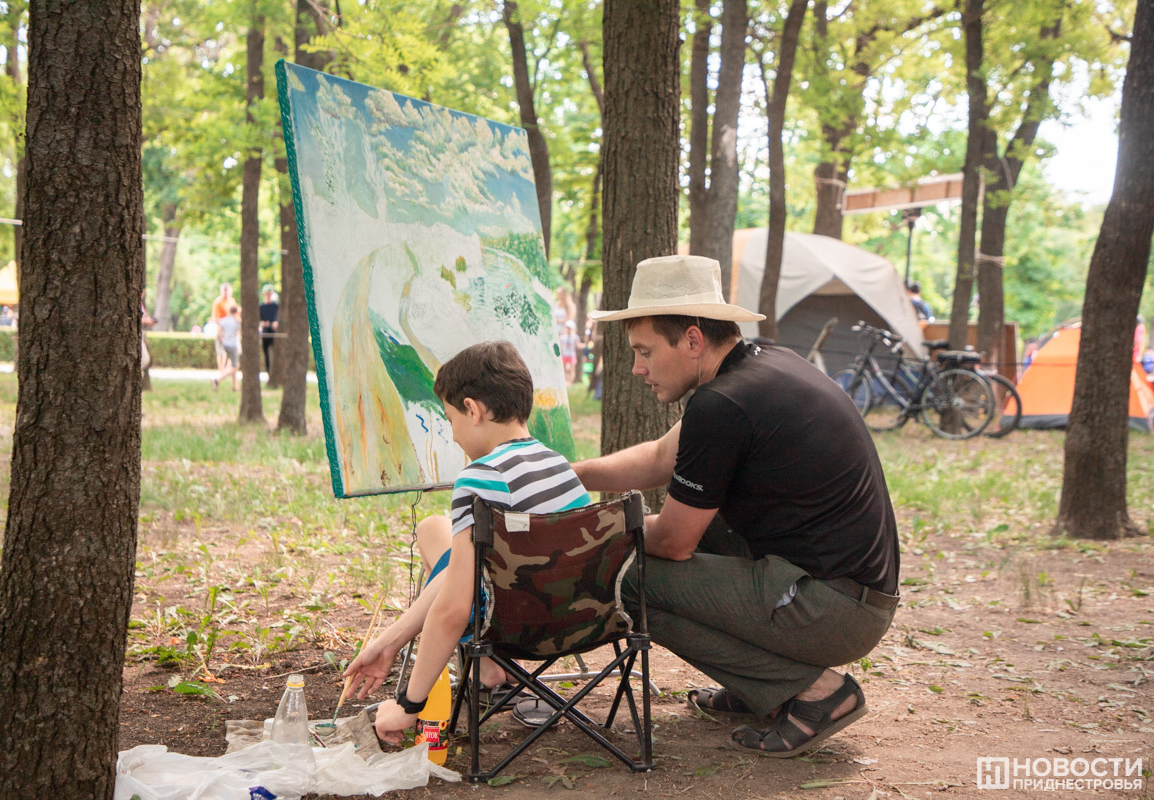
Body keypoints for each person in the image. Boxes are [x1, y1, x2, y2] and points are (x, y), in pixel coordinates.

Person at [574, 255, 899, 757]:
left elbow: (674, 542)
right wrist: (569, 473)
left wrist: (583, 532)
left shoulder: (722, 404)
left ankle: (814, 693)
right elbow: (660, 458)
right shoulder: (763, 364)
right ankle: (762, 688)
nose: (637, 368)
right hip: (847, 592)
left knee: (628, 577)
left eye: (644, 351)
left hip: (833, 610)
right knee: (684, 530)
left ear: (692, 340)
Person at [342, 341, 591, 744]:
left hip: (513, 627)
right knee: (434, 529)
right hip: (577, 618)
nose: (454, 435)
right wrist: (392, 641)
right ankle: (448, 659)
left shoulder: (480, 477)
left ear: (472, 410)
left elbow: (453, 609)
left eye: (450, 419)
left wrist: (409, 704)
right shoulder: (557, 463)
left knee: (453, 569)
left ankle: (485, 666)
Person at [213, 304, 240, 391]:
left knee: (231, 364)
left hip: (225, 344)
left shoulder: (223, 320)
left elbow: (219, 332)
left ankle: (235, 386)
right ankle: (217, 380)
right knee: (235, 366)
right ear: (236, 312)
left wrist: (223, 340)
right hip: (233, 345)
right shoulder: (237, 322)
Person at [210, 283, 237, 372]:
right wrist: (220, 330)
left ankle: (227, 370)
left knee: (229, 352)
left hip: (230, 331)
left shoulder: (232, 301)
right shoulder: (218, 302)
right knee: (220, 351)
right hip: (221, 329)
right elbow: (215, 317)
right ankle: (221, 369)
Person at [259, 284, 279, 375]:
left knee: (276, 353)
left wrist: (276, 323)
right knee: (266, 353)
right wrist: (263, 323)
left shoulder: (276, 306)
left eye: (270, 294)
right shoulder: (261, 306)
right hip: (265, 333)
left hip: (275, 333)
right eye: (267, 294)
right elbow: (259, 320)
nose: (269, 296)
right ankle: (268, 372)